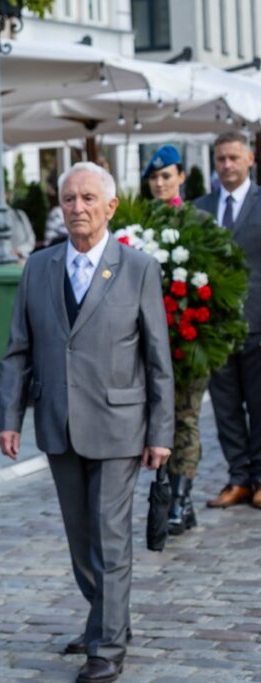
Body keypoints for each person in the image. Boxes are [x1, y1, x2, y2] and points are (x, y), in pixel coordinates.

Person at [0, 162, 174, 683]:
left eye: (88, 198)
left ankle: (108, 644)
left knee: (110, 533)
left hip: (120, 425)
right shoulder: (39, 267)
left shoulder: (138, 268)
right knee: (81, 539)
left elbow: (158, 357)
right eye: (69, 199)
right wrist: (10, 418)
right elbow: (16, 351)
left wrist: (160, 432)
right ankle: (106, 615)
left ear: (110, 207)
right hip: (58, 422)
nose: (78, 208)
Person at [193, 131, 261, 510]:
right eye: (221, 159)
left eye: (234, 158)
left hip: (258, 322)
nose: (227, 165)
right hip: (214, 328)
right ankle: (238, 478)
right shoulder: (200, 208)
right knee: (226, 408)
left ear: (250, 159)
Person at [142, 145, 205, 532]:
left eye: (166, 176)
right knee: (155, 421)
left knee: (185, 418)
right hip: (150, 341)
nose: (160, 183)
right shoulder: (140, 222)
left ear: (181, 176)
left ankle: (178, 501)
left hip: (190, 340)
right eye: (154, 177)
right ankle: (171, 494)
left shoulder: (198, 221)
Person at [0, 189, 37, 261]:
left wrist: (18, 250)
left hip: (21, 261)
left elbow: (31, 240)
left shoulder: (20, 215)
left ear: (6, 195)